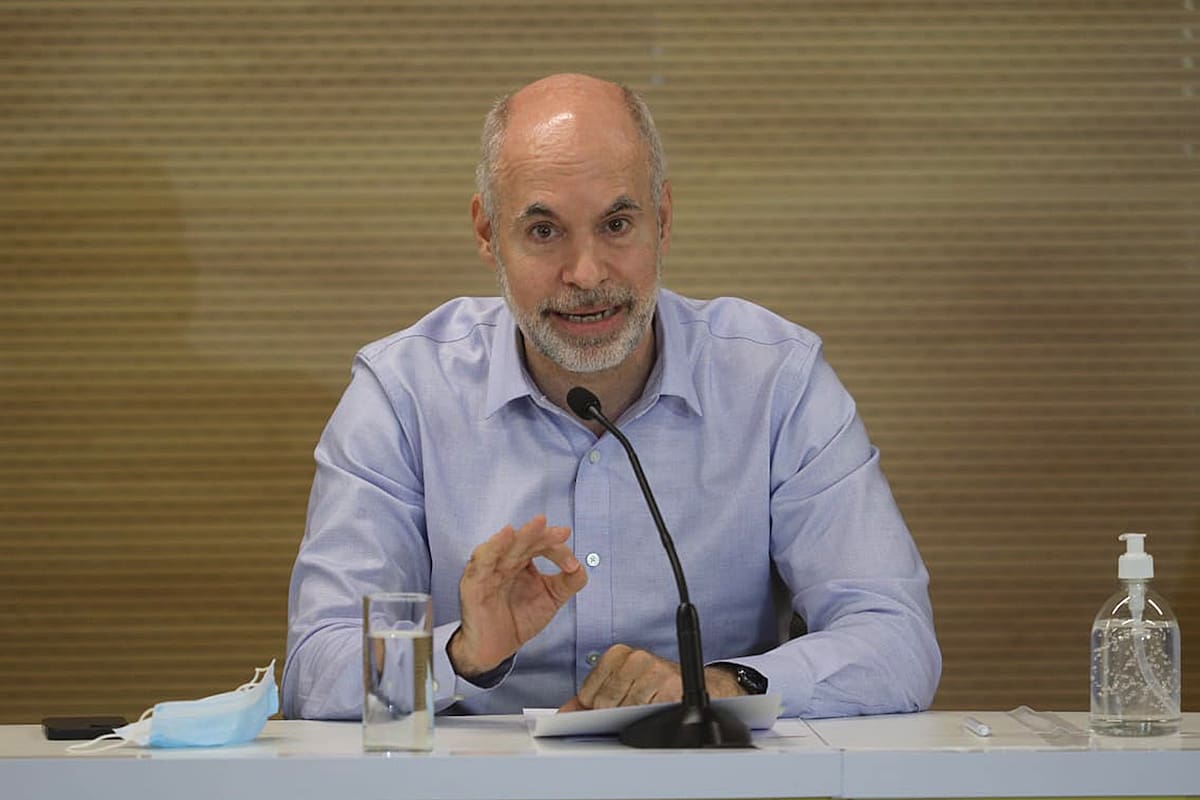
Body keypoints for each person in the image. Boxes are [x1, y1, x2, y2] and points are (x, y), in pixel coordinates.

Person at [282, 73, 940, 719]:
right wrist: (460, 655)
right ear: (487, 233)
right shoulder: (403, 393)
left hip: (700, 777)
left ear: (664, 220)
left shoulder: (776, 382)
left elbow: (896, 640)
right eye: (544, 231)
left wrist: (718, 686)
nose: (586, 273)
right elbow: (315, 667)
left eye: (617, 224)